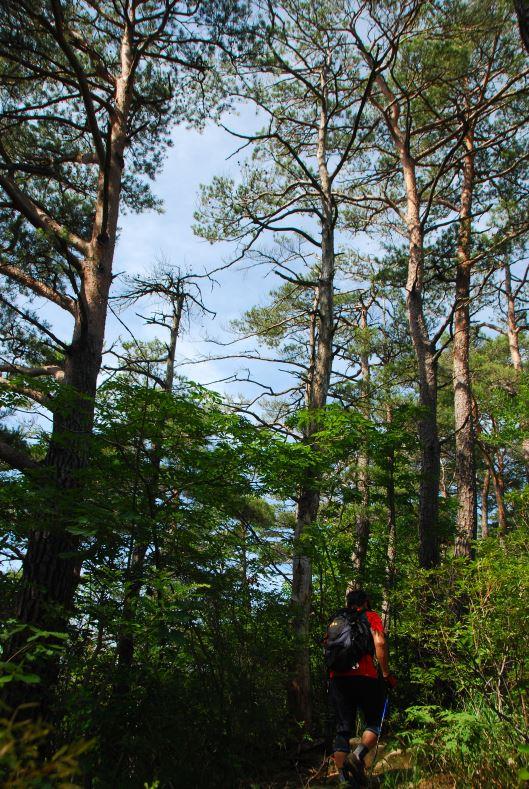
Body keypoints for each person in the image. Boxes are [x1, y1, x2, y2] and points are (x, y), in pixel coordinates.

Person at [329, 589, 396, 787]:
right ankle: (358, 756)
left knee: (343, 729)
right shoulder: (371, 616)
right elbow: (380, 643)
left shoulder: (336, 619)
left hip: (338, 678)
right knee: (374, 721)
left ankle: (344, 780)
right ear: (366, 602)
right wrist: (385, 674)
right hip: (365, 676)